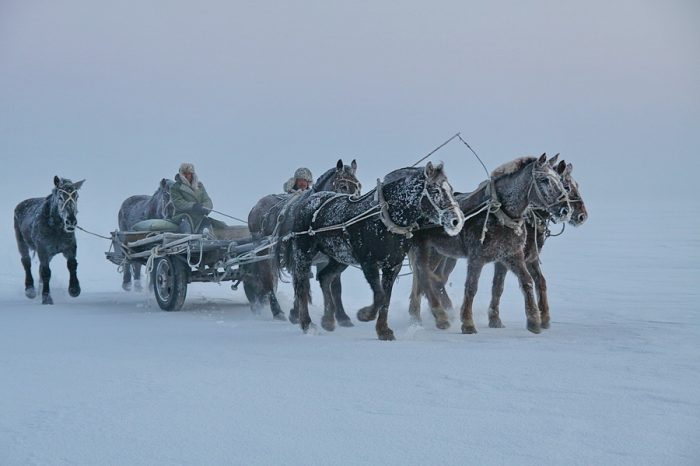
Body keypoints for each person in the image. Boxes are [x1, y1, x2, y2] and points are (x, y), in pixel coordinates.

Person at [170, 163, 219, 234]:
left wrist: (205, 208)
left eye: (189, 174)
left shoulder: (199, 186)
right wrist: (193, 206)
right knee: (185, 221)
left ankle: (208, 240)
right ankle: (187, 240)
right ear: (181, 174)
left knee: (206, 222)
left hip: (199, 216)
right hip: (183, 216)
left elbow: (207, 200)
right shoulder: (176, 187)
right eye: (184, 174)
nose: (187, 176)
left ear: (192, 174)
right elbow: (178, 203)